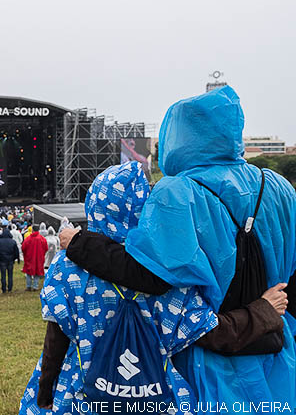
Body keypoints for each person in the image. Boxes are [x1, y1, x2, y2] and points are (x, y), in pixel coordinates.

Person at [60, 86, 296, 409]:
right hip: (279, 352)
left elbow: (149, 273)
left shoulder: (177, 193)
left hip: (210, 365)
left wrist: (79, 243)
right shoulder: (280, 188)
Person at [22, 225, 48, 291]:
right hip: (39, 258)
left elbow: (23, 248)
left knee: (28, 272)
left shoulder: (28, 239)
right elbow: (46, 248)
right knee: (37, 271)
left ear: (32, 230)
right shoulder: (42, 239)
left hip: (29, 258)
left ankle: (28, 286)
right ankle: (35, 286)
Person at [0, 227, 19, 293]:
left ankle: (4, 288)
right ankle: (10, 287)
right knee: (10, 274)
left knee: (3, 275)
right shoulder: (13, 241)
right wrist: (15, 258)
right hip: (10, 260)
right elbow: (16, 251)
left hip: (2, 260)